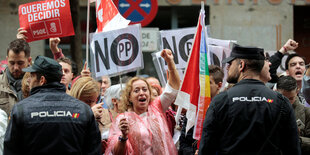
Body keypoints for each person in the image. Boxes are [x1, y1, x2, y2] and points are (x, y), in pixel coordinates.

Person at [198, 44, 301, 155]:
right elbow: (293, 149)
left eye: (230, 63)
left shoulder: (220, 101)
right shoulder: (281, 102)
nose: (227, 68)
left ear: (241, 65)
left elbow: (206, 149)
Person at [4, 56, 101, 155]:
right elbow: (93, 150)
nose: (29, 80)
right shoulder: (83, 110)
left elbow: (10, 150)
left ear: (42, 80)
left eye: (32, 76)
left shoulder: (21, 110)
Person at [105, 49, 180, 155]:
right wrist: (123, 136)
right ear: (129, 97)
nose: (141, 93)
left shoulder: (157, 107)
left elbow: (173, 87)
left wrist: (170, 62)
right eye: (136, 90)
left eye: (145, 89)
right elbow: (116, 152)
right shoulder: (123, 119)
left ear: (149, 94)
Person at [179, 65, 224, 155]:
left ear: (219, 85)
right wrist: (193, 153)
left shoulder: (225, 108)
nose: (202, 87)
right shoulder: (193, 109)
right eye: (201, 82)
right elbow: (183, 144)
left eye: (208, 83)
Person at [277, 76, 310, 154]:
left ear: (297, 91)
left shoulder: (307, 112)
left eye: (291, 98)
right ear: (276, 91)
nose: (287, 102)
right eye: (284, 98)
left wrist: (296, 139)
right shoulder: (270, 110)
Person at [0, 39, 32, 116]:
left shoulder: (38, 84)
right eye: (12, 63)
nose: (16, 67)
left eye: (20, 63)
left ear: (29, 60)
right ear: (7, 60)